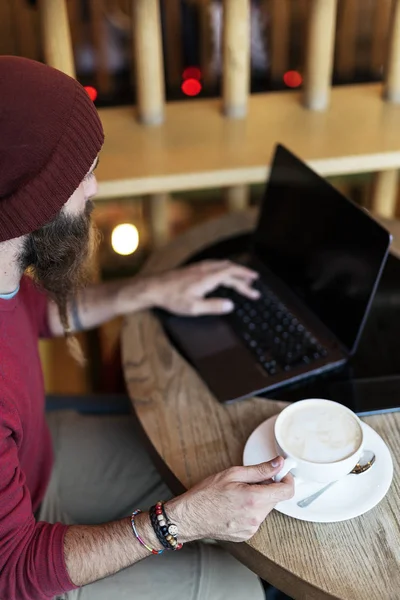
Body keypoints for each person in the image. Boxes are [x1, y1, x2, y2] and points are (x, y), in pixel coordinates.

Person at [0, 56, 294, 600]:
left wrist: (151, 290)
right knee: (238, 587)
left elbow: (31, 312)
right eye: (78, 175)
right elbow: (12, 569)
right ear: (29, 201)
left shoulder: (5, 268)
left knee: (222, 466)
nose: (93, 189)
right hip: (22, 562)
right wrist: (174, 523)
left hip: (38, 465)